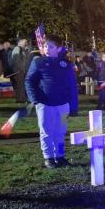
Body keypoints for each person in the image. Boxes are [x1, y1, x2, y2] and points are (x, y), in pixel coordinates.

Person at [24, 34, 79, 169]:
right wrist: (34, 99)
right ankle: (48, 158)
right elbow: (29, 81)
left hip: (63, 105)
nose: (47, 49)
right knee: (46, 132)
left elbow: (72, 85)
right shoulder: (38, 62)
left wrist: (73, 105)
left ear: (59, 48)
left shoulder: (66, 64)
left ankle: (59, 156)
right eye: (45, 46)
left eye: (51, 46)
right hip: (45, 104)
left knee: (60, 131)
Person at [10, 39, 30, 103]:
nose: (26, 43)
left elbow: (26, 59)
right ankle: (20, 99)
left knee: (22, 85)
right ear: (20, 42)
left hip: (22, 71)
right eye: (25, 41)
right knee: (20, 85)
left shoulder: (23, 49)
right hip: (18, 71)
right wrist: (22, 69)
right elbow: (16, 60)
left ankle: (23, 99)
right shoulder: (17, 49)